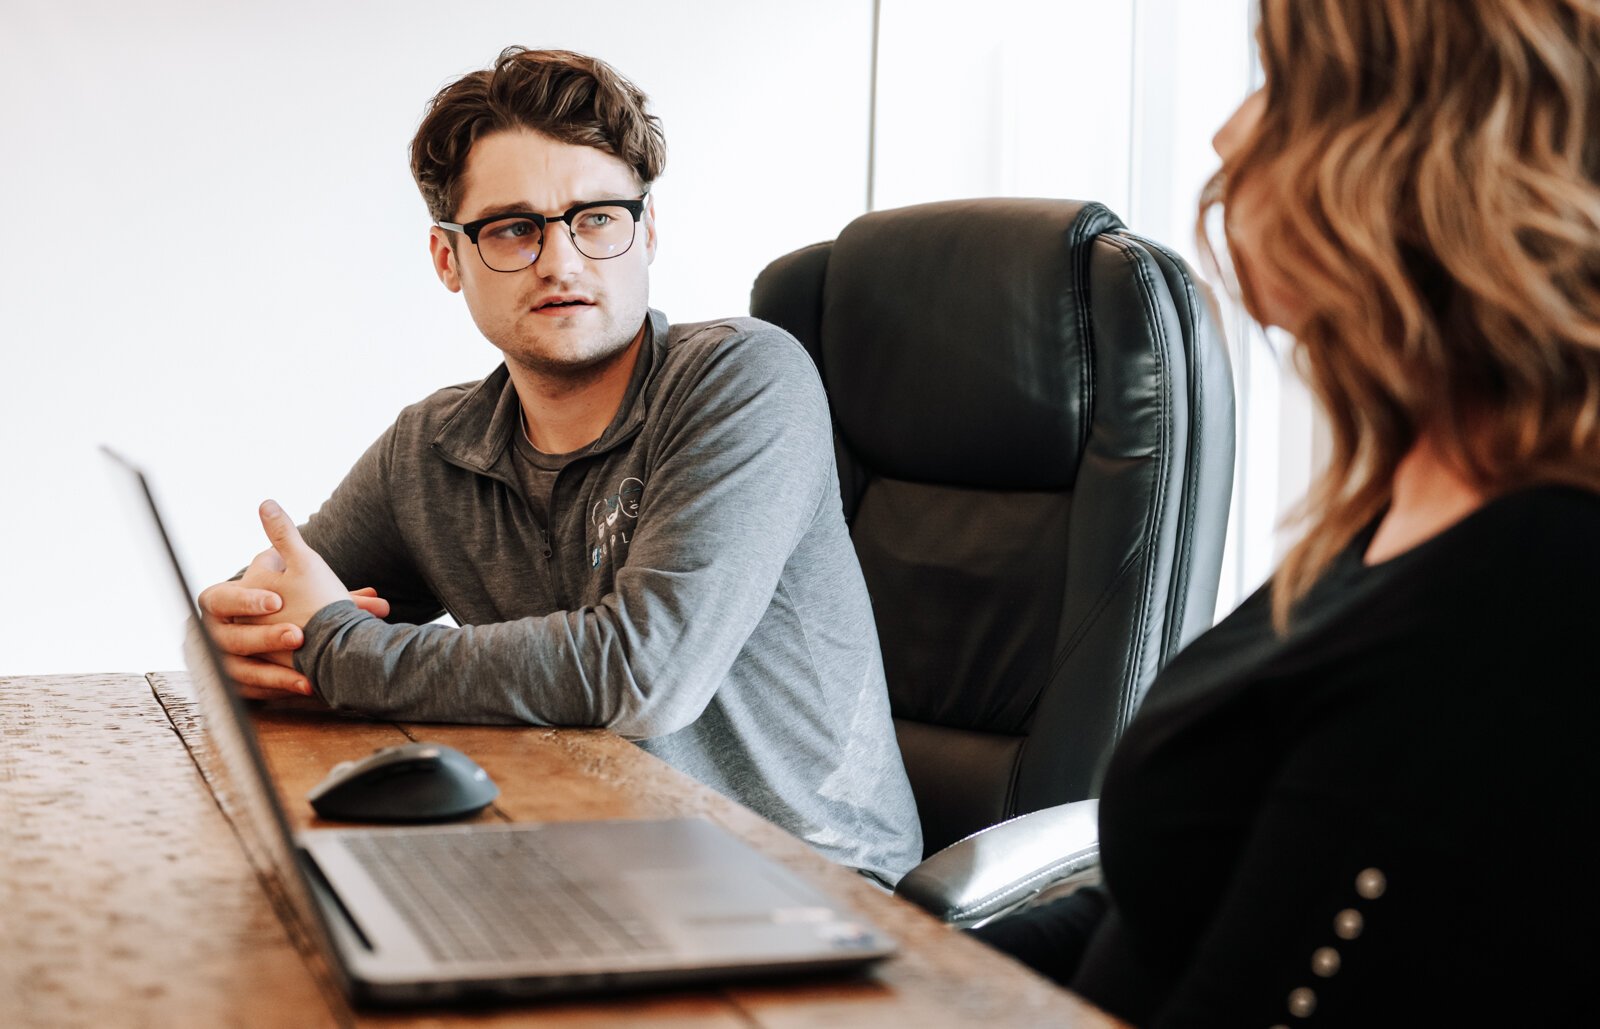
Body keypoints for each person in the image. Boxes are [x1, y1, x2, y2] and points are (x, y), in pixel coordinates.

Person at [974, 0, 1600, 1024]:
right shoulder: (1399, 501)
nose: (1226, 135)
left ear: (1421, 152)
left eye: (1277, 79)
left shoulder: (1537, 585)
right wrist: (890, 966)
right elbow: (1171, 900)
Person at [196, 47, 922, 885]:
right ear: (447, 258)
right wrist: (237, 633)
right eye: (513, 228)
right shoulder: (432, 447)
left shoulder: (746, 379)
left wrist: (338, 650)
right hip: (584, 862)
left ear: (646, 232)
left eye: (598, 218)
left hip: (812, 891)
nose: (562, 261)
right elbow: (277, 617)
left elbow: (644, 672)